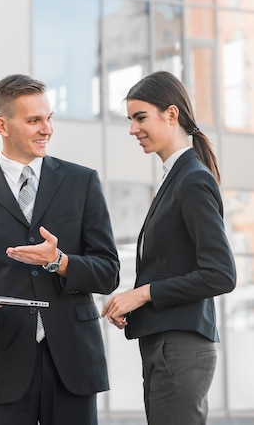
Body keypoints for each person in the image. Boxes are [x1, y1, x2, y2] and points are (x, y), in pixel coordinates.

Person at [0, 74, 120, 425]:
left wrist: (60, 261)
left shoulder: (83, 183)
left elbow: (108, 271)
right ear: (2, 125)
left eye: (48, 118)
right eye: (34, 120)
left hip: (74, 362)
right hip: (3, 364)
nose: (46, 129)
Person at [102, 70, 236, 425]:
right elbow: (174, 266)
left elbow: (221, 275)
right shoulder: (176, 178)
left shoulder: (192, 179)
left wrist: (142, 294)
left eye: (140, 117)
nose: (133, 129)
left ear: (171, 114)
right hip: (168, 345)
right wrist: (136, 301)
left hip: (180, 347)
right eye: (131, 119)